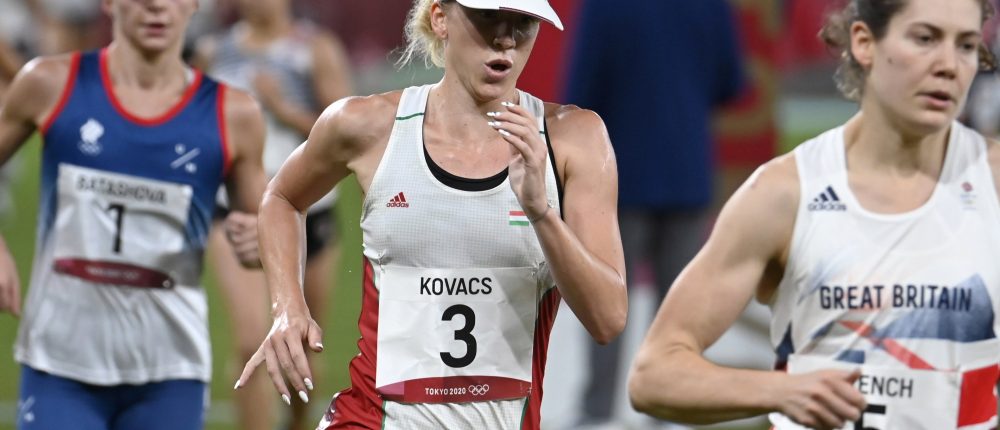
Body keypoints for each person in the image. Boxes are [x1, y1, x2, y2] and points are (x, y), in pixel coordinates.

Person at [233, 0, 628, 428]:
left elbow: (607, 319)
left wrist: (541, 213)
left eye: (523, 23)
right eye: (487, 17)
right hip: (370, 419)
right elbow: (282, 198)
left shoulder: (573, 139)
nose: (506, 38)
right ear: (440, 18)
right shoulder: (368, 125)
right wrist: (288, 307)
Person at [628, 0, 1000, 429]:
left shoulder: (991, 183)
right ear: (864, 42)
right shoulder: (786, 193)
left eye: (966, 45)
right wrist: (782, 391)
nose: (949, 65)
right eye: (925, 38)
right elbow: (654, 374)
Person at [0, 0, 267, 429]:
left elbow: (263, 232)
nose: (157, 6)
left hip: (171, 371)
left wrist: (257, 244)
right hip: (59, 364)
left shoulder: (233, 113)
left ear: (194, 4)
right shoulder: (51, 83)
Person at [562, 0, 746, 427]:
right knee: (679, 313)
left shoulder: (604, 7)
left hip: (618, 177)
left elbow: (581, 88)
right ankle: (669, 407)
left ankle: (598, 411)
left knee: (605, 303)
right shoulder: (711, 6)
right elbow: (731, 83)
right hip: (686, 173)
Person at [192, 0, 353, 429]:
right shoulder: (215, 52)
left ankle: (297, 424)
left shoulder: (314, 48)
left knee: (302, 349)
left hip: (307, 211)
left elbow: (348, 134)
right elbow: (196, 129)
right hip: (236, 211)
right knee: (250, 342)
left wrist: (282, 108)